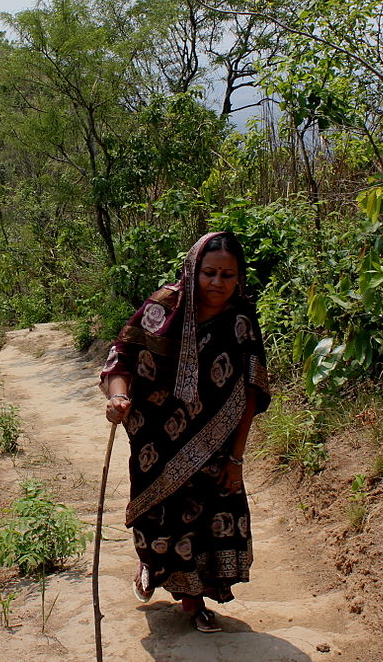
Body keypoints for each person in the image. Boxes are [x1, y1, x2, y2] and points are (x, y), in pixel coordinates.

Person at [99, 231, 271, 633]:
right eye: (208, 273)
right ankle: (159, 570)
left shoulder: (242, 320)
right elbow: (121, 358)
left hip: (216, 445)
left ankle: (195, 599)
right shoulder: (163, 307)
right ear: (192, 272)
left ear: (239, 277)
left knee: (209, 519)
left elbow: (250, 391)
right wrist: (118, 398)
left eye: (228, 275)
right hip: (154, 441)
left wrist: (236, 458)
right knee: (159, 521)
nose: (217, 283)